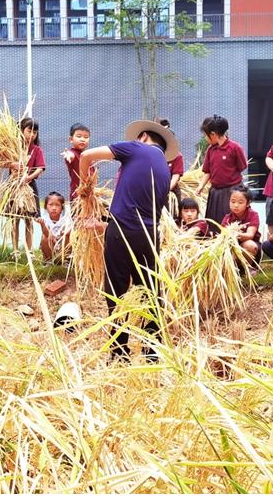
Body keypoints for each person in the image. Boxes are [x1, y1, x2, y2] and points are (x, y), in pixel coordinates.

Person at [79, 119, 178, 362]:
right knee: (150, 291)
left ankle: (119, 352)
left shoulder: (135, 148)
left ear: (143, 137)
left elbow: (86, 156)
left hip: (121, 231)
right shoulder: (165, 169)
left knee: (116, 291)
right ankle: (152, 351)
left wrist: (86, 187)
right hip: (150, 235)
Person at [195, 115, 247, 225]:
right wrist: (201, 186)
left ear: (213, 134)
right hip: (215, 192)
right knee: (213, 224)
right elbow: (208, 171)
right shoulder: (210, 150)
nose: (205, 138)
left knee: (229, 223)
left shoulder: (235, 148)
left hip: (231, 191)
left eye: (206, 135)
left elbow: (242, 166)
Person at [7, 118, 45, 259]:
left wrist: (29, 177)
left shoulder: (37, 150)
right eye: (29, 131)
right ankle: (15, 250)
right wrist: (12, 165)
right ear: (21, 130)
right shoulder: (13, 147)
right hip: (14, 187)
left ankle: (29, 251)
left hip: (29, 188)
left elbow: (40, 168)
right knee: (14, 219)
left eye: (35, 132)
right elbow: (2, 162)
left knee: (29, 219)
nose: (32, 134)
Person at [220, 184, 261, 271]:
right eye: (233, 201)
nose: (236, 205)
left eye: (240, 202)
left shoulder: (253, 215)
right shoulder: (227, 218)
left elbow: (250, 235)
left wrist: (234, 234)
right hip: (232, 247)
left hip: (250, 249)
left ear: (248, 203)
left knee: (249, 245)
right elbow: (223, 235)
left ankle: (248, 268)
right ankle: (233, 269)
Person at [37, 191, 72, 262]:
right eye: (51, 205)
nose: (54, 208)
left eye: (57, 205)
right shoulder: (44, 219)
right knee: (44, 238)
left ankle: (65, 260)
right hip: (51, 246)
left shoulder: (66, 219)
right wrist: (42, 225)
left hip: (62, 245)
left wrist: (65, 233)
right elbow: (46, 234)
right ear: (46, 207)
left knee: (67, 237)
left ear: (62, 208)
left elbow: (70, 231)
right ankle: (49, 260)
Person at [62, 122, 90, 202]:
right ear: (71, 139)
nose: (82, 139)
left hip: (89, 195)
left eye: (86, 137)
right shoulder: (73, 153)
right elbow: (71, 156)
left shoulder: (88, 155)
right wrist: (69, 155)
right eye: (79, 136)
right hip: (77, 196)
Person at [159, 118, 184, 205]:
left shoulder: (177, 156)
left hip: (171, 192)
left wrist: (165, 190)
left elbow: (175, 177)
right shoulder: (154, 154)